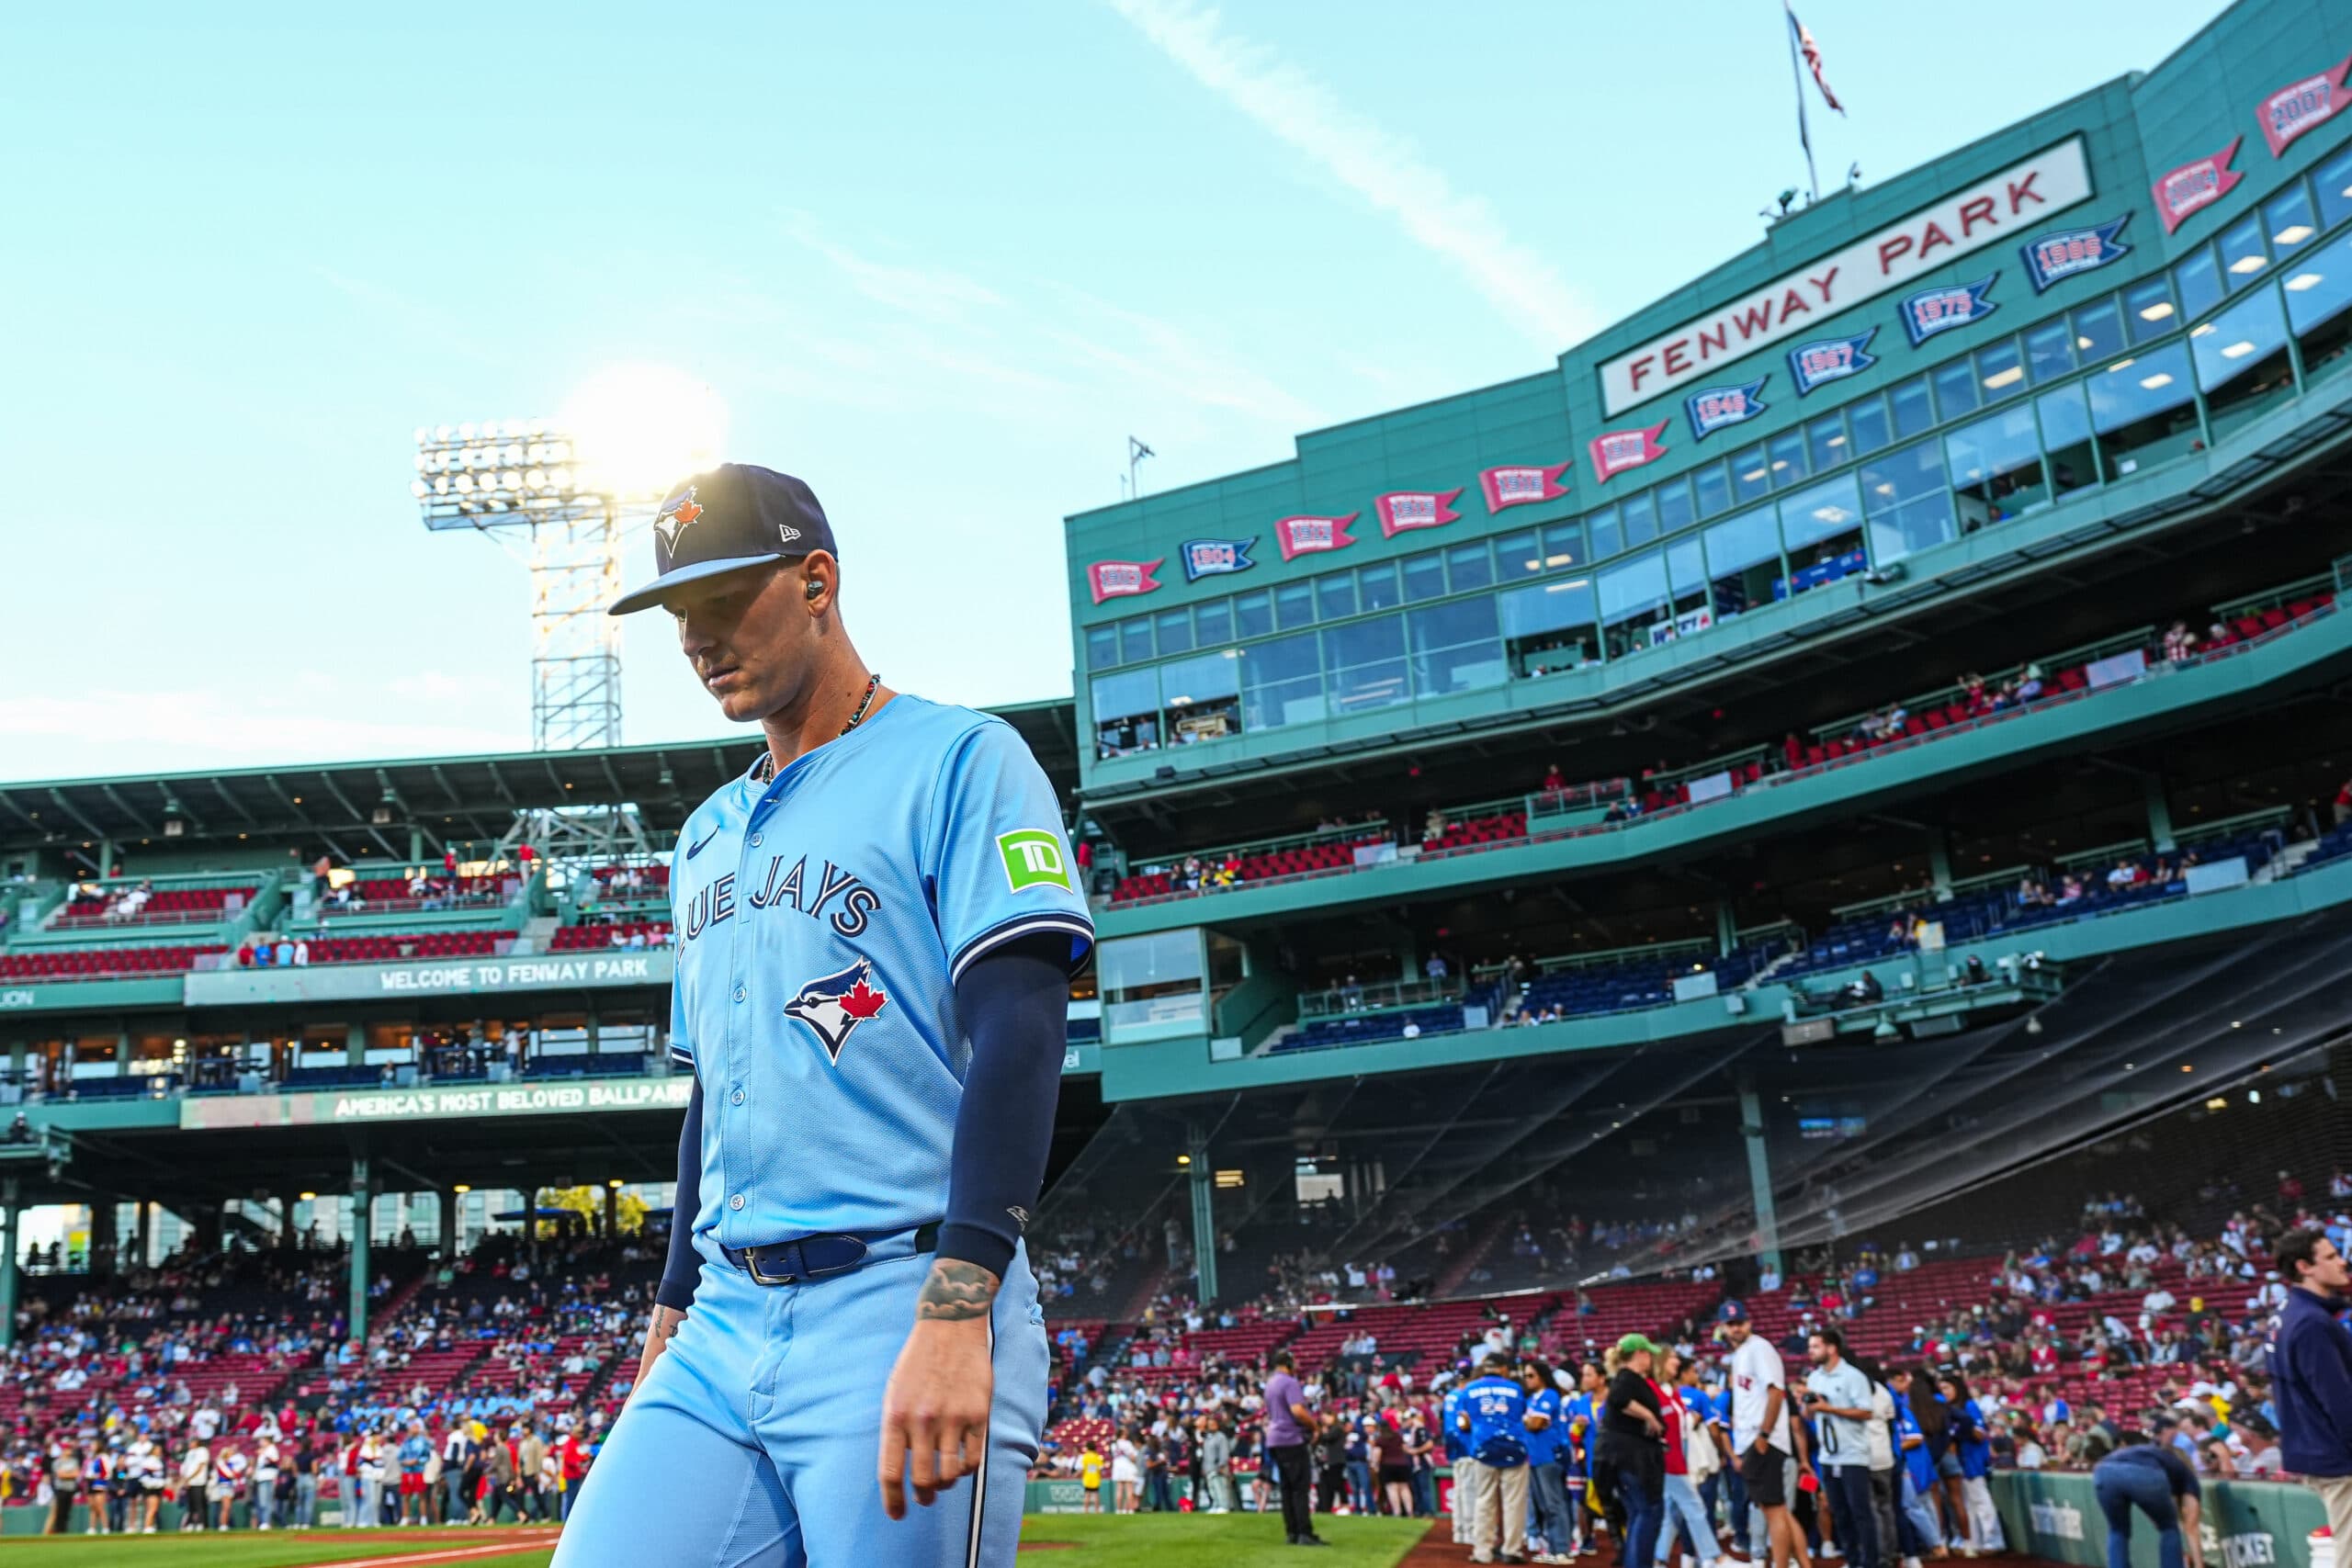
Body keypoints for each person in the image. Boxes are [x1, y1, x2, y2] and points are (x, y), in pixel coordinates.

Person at [563, 468, 1095, 1568]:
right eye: (679, 616)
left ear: (817, 580)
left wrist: (959, 1308)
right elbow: (714, 1087)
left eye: (723, 602)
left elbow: (1023, 1032)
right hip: (722, 1319)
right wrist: (671, 1303)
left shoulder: (961, 758)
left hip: (900, 1291)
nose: (697, 640)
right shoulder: (704, 834)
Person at [2270, 1227, 2352, 1546]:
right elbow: (2339, 1401)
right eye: (2330, 1257)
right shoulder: (2311, 1323)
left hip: (2313, 1446)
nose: (2342, 1262)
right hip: (2336, 1456)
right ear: (2305, 1267)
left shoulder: (2287, 1314)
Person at [1726, 1305, 1806, 1568]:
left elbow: (1776, 1392)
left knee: (1773, 1512)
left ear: (1749, 1322)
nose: (1735, 1328)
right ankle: (1803, 1564)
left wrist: (1764, 1435)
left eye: (1740, 1322)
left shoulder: (1759, 1348)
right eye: (1730, 1323)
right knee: (1779, 1510)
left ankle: (1782, 1565)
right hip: (1754, 1440)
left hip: (1763, 1441)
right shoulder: (1741, 1354)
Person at [1804, 1329, 1880, 1568]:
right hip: (1828, 1455)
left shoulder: (1853, 1376)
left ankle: (1870, 1562)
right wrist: (1809, 1407)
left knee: (1861, 1512)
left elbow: (1866, 1412)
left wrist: (1830, 1409)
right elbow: (1810, 1413)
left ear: (1831, 1348)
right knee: (1839, 1511)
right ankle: (1852, 1559)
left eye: (1815, 1346)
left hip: (1853, 1454)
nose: (1811, 1351)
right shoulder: (1814, 1378)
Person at [1460, 1350, 1532, 1564]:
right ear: (1503, 1369)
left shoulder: (1470, 1389)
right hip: (1513, 1446)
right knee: (1514, 1502)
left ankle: (1482, 1551)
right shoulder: (1516, 1388)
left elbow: (1465, 1421)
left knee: (1484, 1501)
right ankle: (1512, 1550)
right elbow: (1521, 1415)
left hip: (1484, 1446)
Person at [1602, 1337, 1668, 1568]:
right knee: (1648, 1511)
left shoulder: (1629, 1378)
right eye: (1648, 1353)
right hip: (1633, 1458)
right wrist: (1649, 1416)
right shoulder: (1627, 1378)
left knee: (1639, 1512)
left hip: (1626, 1457)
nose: (1651, 1358)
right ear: (1639, 1353)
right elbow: (1618, 1398)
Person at [2092, 1440, 2205, 1568]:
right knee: (2169, 1528)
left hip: (2103, 1471)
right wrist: (2198, 1565)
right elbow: (2191, 1527)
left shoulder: (2150, 1453)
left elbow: (2156, 1519)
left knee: (2117, 1530)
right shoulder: (2185, 1473)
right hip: (2143, 1472)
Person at [1263, 1348, 1326, 1546]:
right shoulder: (1289, 1383)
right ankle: (1304, 1533)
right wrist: (1314, 1426)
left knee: (1287, 1488)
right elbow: (1298, 1410)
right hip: (1291, 1438)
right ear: (1287, 1363)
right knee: (1300, 1488)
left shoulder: (1270, 1384)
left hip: (1274, 1439)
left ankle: (1291, 1532)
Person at [1521, 1359, 1574, 1563]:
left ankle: (1562, 1549)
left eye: (1531, 1375)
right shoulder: (1532, 1398)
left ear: (1542, 1376)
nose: (1527, 1380)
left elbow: (1535, 1423)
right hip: (1535, 1457)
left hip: (1548, 1456)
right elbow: (1529, 1422)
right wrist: (1527, 1422)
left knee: (1554, 1504)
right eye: (1525, 1376)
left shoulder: (1550, 1395)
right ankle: (1553, 1548)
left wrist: (1526, 1421)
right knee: (1543, 1505)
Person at [1079, 1442, 1103, 1514]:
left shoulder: (1085, 1457)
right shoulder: (1097, 1457)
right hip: (1095, 1478)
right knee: (1096, 1495)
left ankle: (1086, 1511)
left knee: (1087, 1495)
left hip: (1087, 1478)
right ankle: (1097, 1511)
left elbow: (1082, 1468)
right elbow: (1100, 1468)